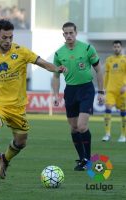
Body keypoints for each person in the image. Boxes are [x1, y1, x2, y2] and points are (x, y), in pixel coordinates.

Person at [0, 19, 66, 186]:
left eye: (10, 37)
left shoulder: (21, 52)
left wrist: (56, 68)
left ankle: (4, 158)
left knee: (21, 142)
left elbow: (43, 63)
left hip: (17, 108)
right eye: (4, 37)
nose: (8, 41)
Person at [52, 22, 104, 171]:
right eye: (66, 33)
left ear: (76, 33)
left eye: (71, 33)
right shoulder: (58, 53)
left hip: (86, 89)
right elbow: (55, 76)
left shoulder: (87, 48)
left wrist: (101, 91)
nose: (69, 36)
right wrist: (56, 95)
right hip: (70, 91)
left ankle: (88, 160)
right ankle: (82, 159)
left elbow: (99, 70)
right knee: (74, 128)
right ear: (63, 34)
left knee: (82, 126)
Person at [102, 40, 126, 142]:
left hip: (122, 90)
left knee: (123, 112)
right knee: (108, 109)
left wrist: (125, 85)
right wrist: (103, 88)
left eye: (118, 47)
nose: (116, 48)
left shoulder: (125, 60)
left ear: (121, 48)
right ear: (113, 48)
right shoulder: (109, 60)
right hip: (110, 90)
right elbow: (106, 75)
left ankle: (123, 135)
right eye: (115, 47)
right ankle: (107, 134)